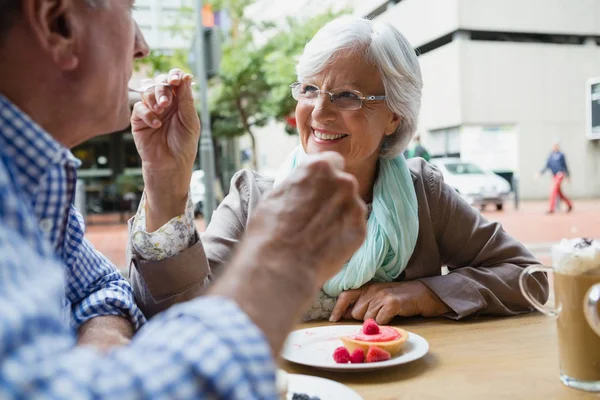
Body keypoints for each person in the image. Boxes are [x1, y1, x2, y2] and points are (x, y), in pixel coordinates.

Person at [0, 0, 367, 397]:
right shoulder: (255, 193)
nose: (142, 47)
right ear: (59, 24)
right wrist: (277, 270)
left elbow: (102, 287)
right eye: (130, 12)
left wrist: (99, 360)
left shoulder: (39, 183)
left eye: (348, 95)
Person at [128, 15, 548, 324]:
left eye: (347, 96)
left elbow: (530, 278)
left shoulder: (424, 194)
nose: (319, 113)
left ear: (394, 117)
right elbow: (180, 316)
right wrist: (166, 181)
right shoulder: (254, 197)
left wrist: (423, 293)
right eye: (309, 89)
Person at [537, 142, 573, 214]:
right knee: (559, 193)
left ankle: (551, 209)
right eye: (554, 146)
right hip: (554, 176)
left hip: (560, 174)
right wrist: (540, 173)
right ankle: (569, 205)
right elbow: (547, 166)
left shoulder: (561, 155)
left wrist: (568, 176)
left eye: (556, 146)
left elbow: (565, 165)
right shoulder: (550, 156)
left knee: (553, 190)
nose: (555, 147)